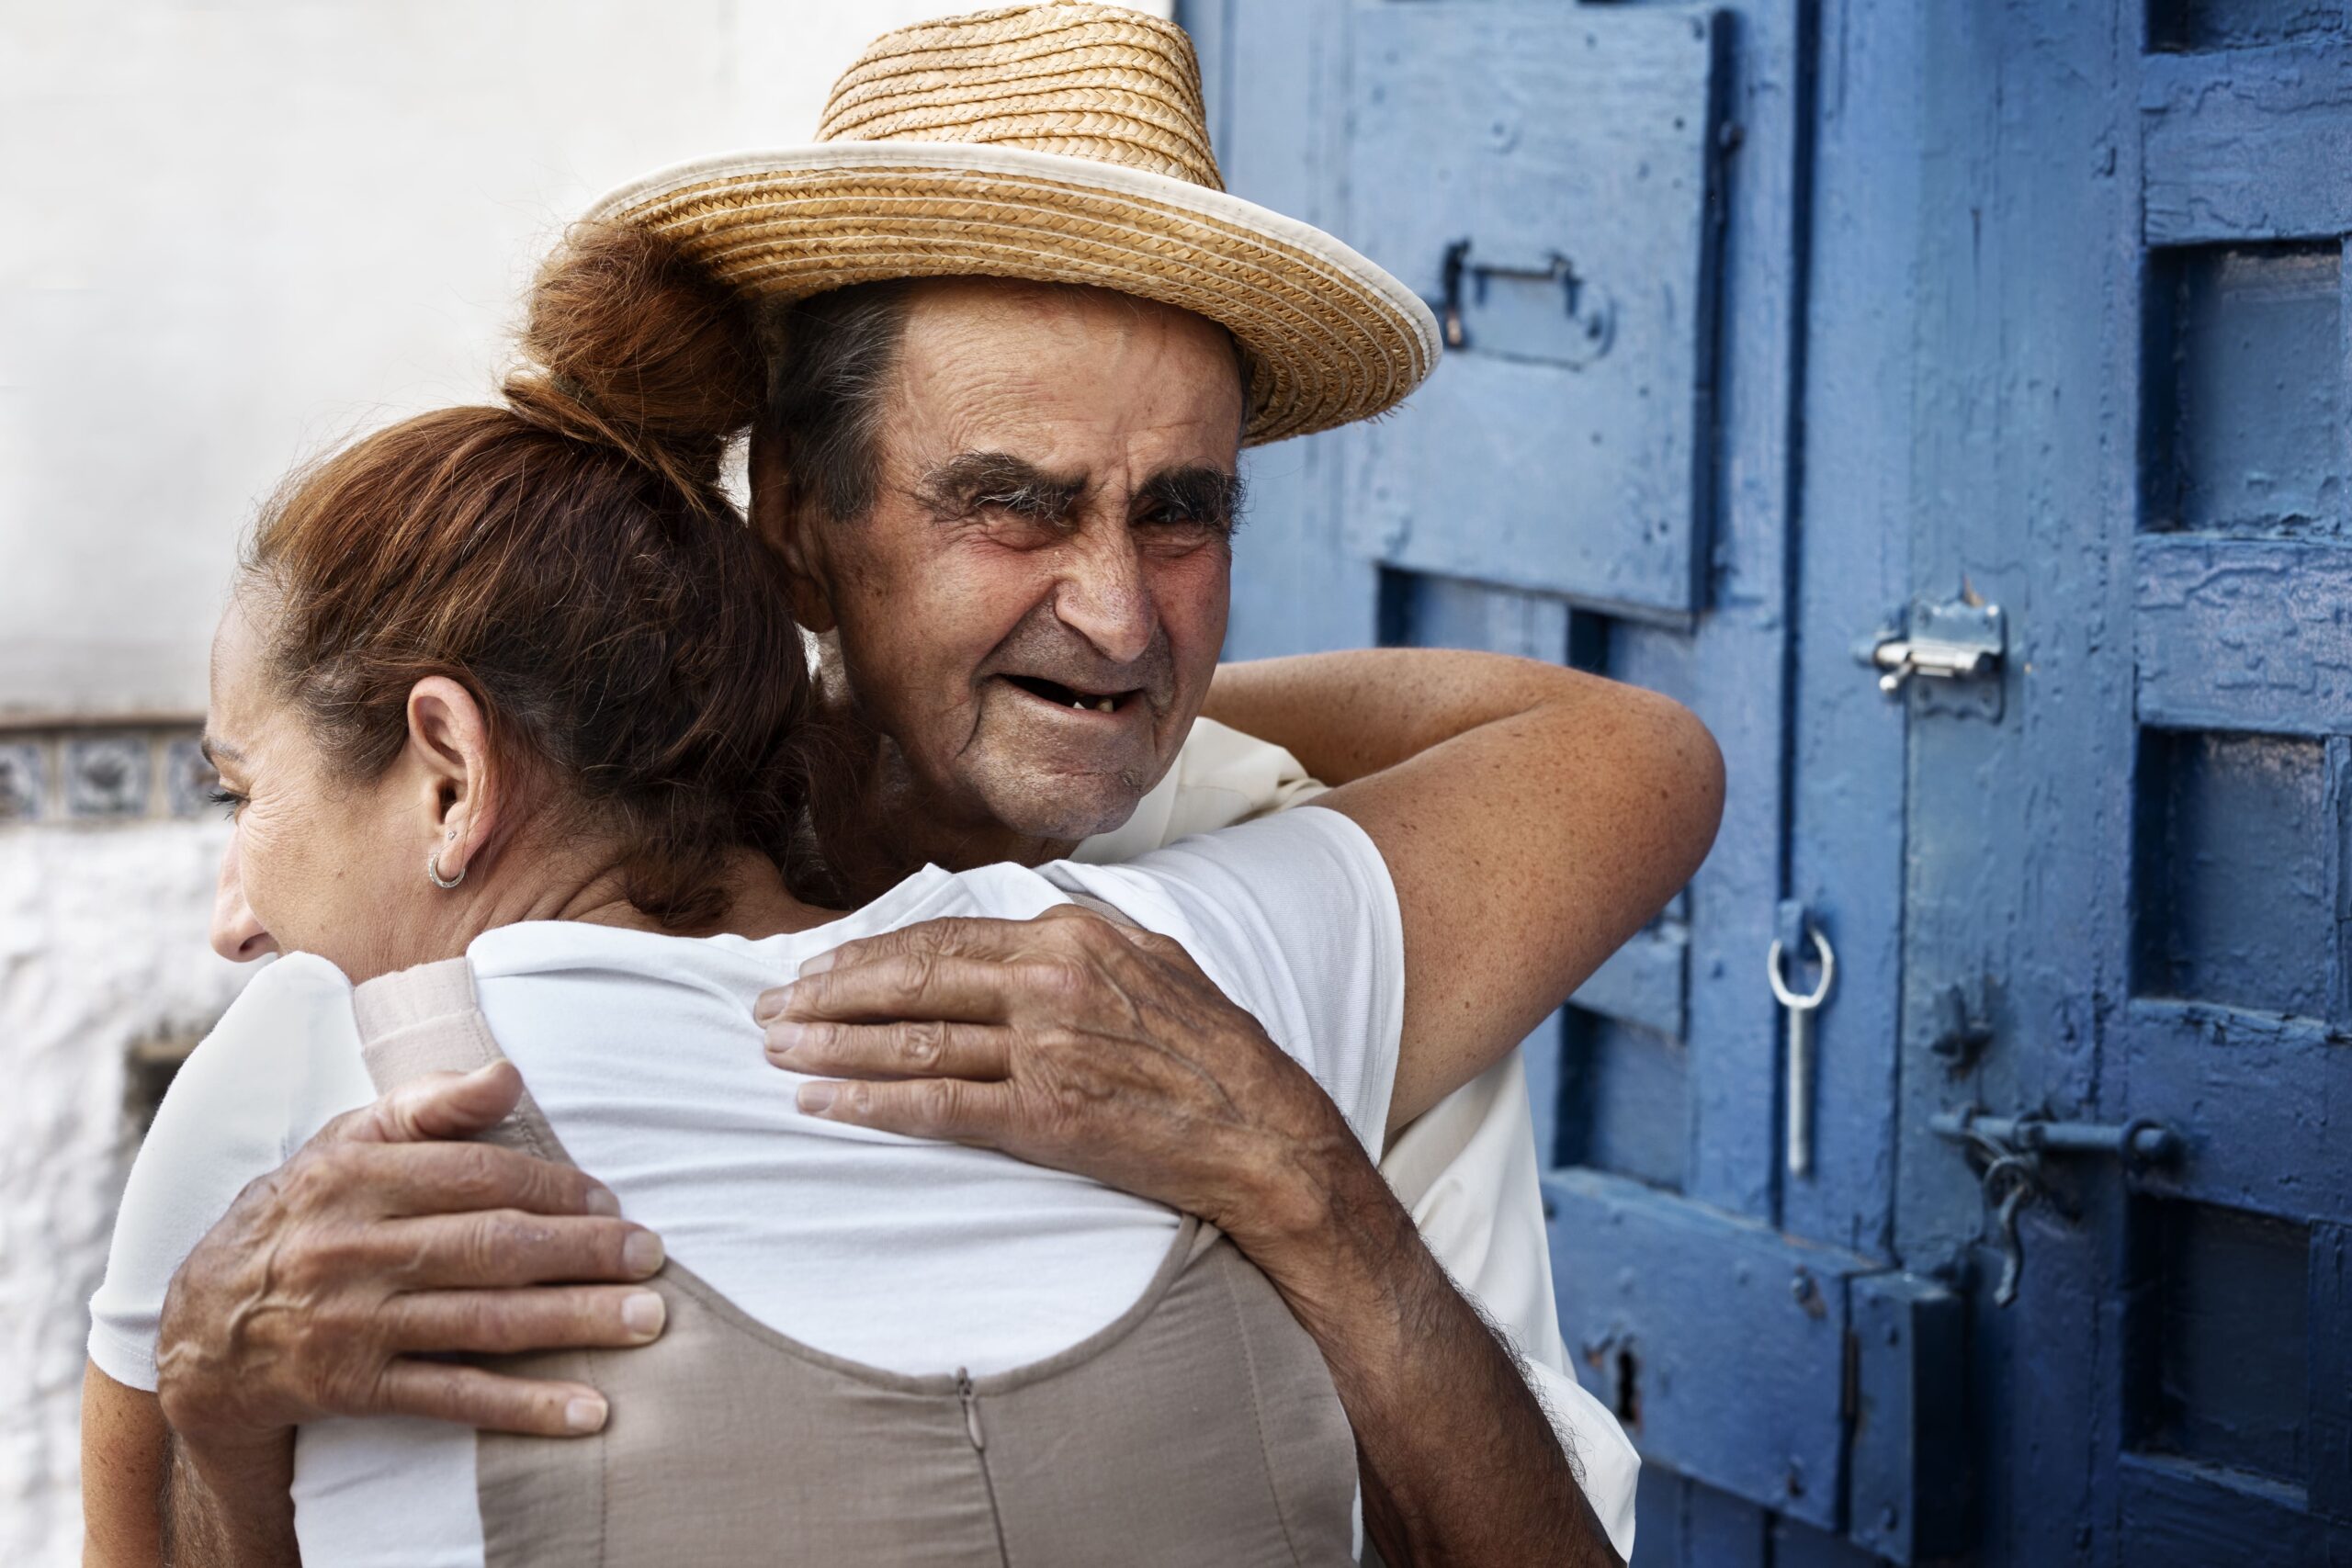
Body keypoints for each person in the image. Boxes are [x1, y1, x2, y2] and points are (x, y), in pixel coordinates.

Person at [86, 7, 1717, 1562]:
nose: (1121, 616)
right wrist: (220, 1417)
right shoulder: (379, 1031)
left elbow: (1636, 756)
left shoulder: (1268, 897)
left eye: (1179, 513)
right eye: (1013, 505)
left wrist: (1291, 1160)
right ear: (799, 521)